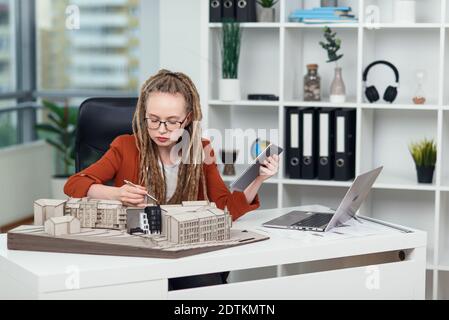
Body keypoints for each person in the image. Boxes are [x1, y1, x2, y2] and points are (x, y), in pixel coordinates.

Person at [64, 69, 280, 290]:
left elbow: (225, 209)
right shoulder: (126, 146)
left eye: (172, 121)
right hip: (138, 252)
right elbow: (74, 184)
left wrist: (258, 179)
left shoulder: (201, 149)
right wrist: (116, 194)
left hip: (185, 254)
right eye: (154, 120)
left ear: (186, 119)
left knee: (203, 283)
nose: (162, 130)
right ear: (143, 115)